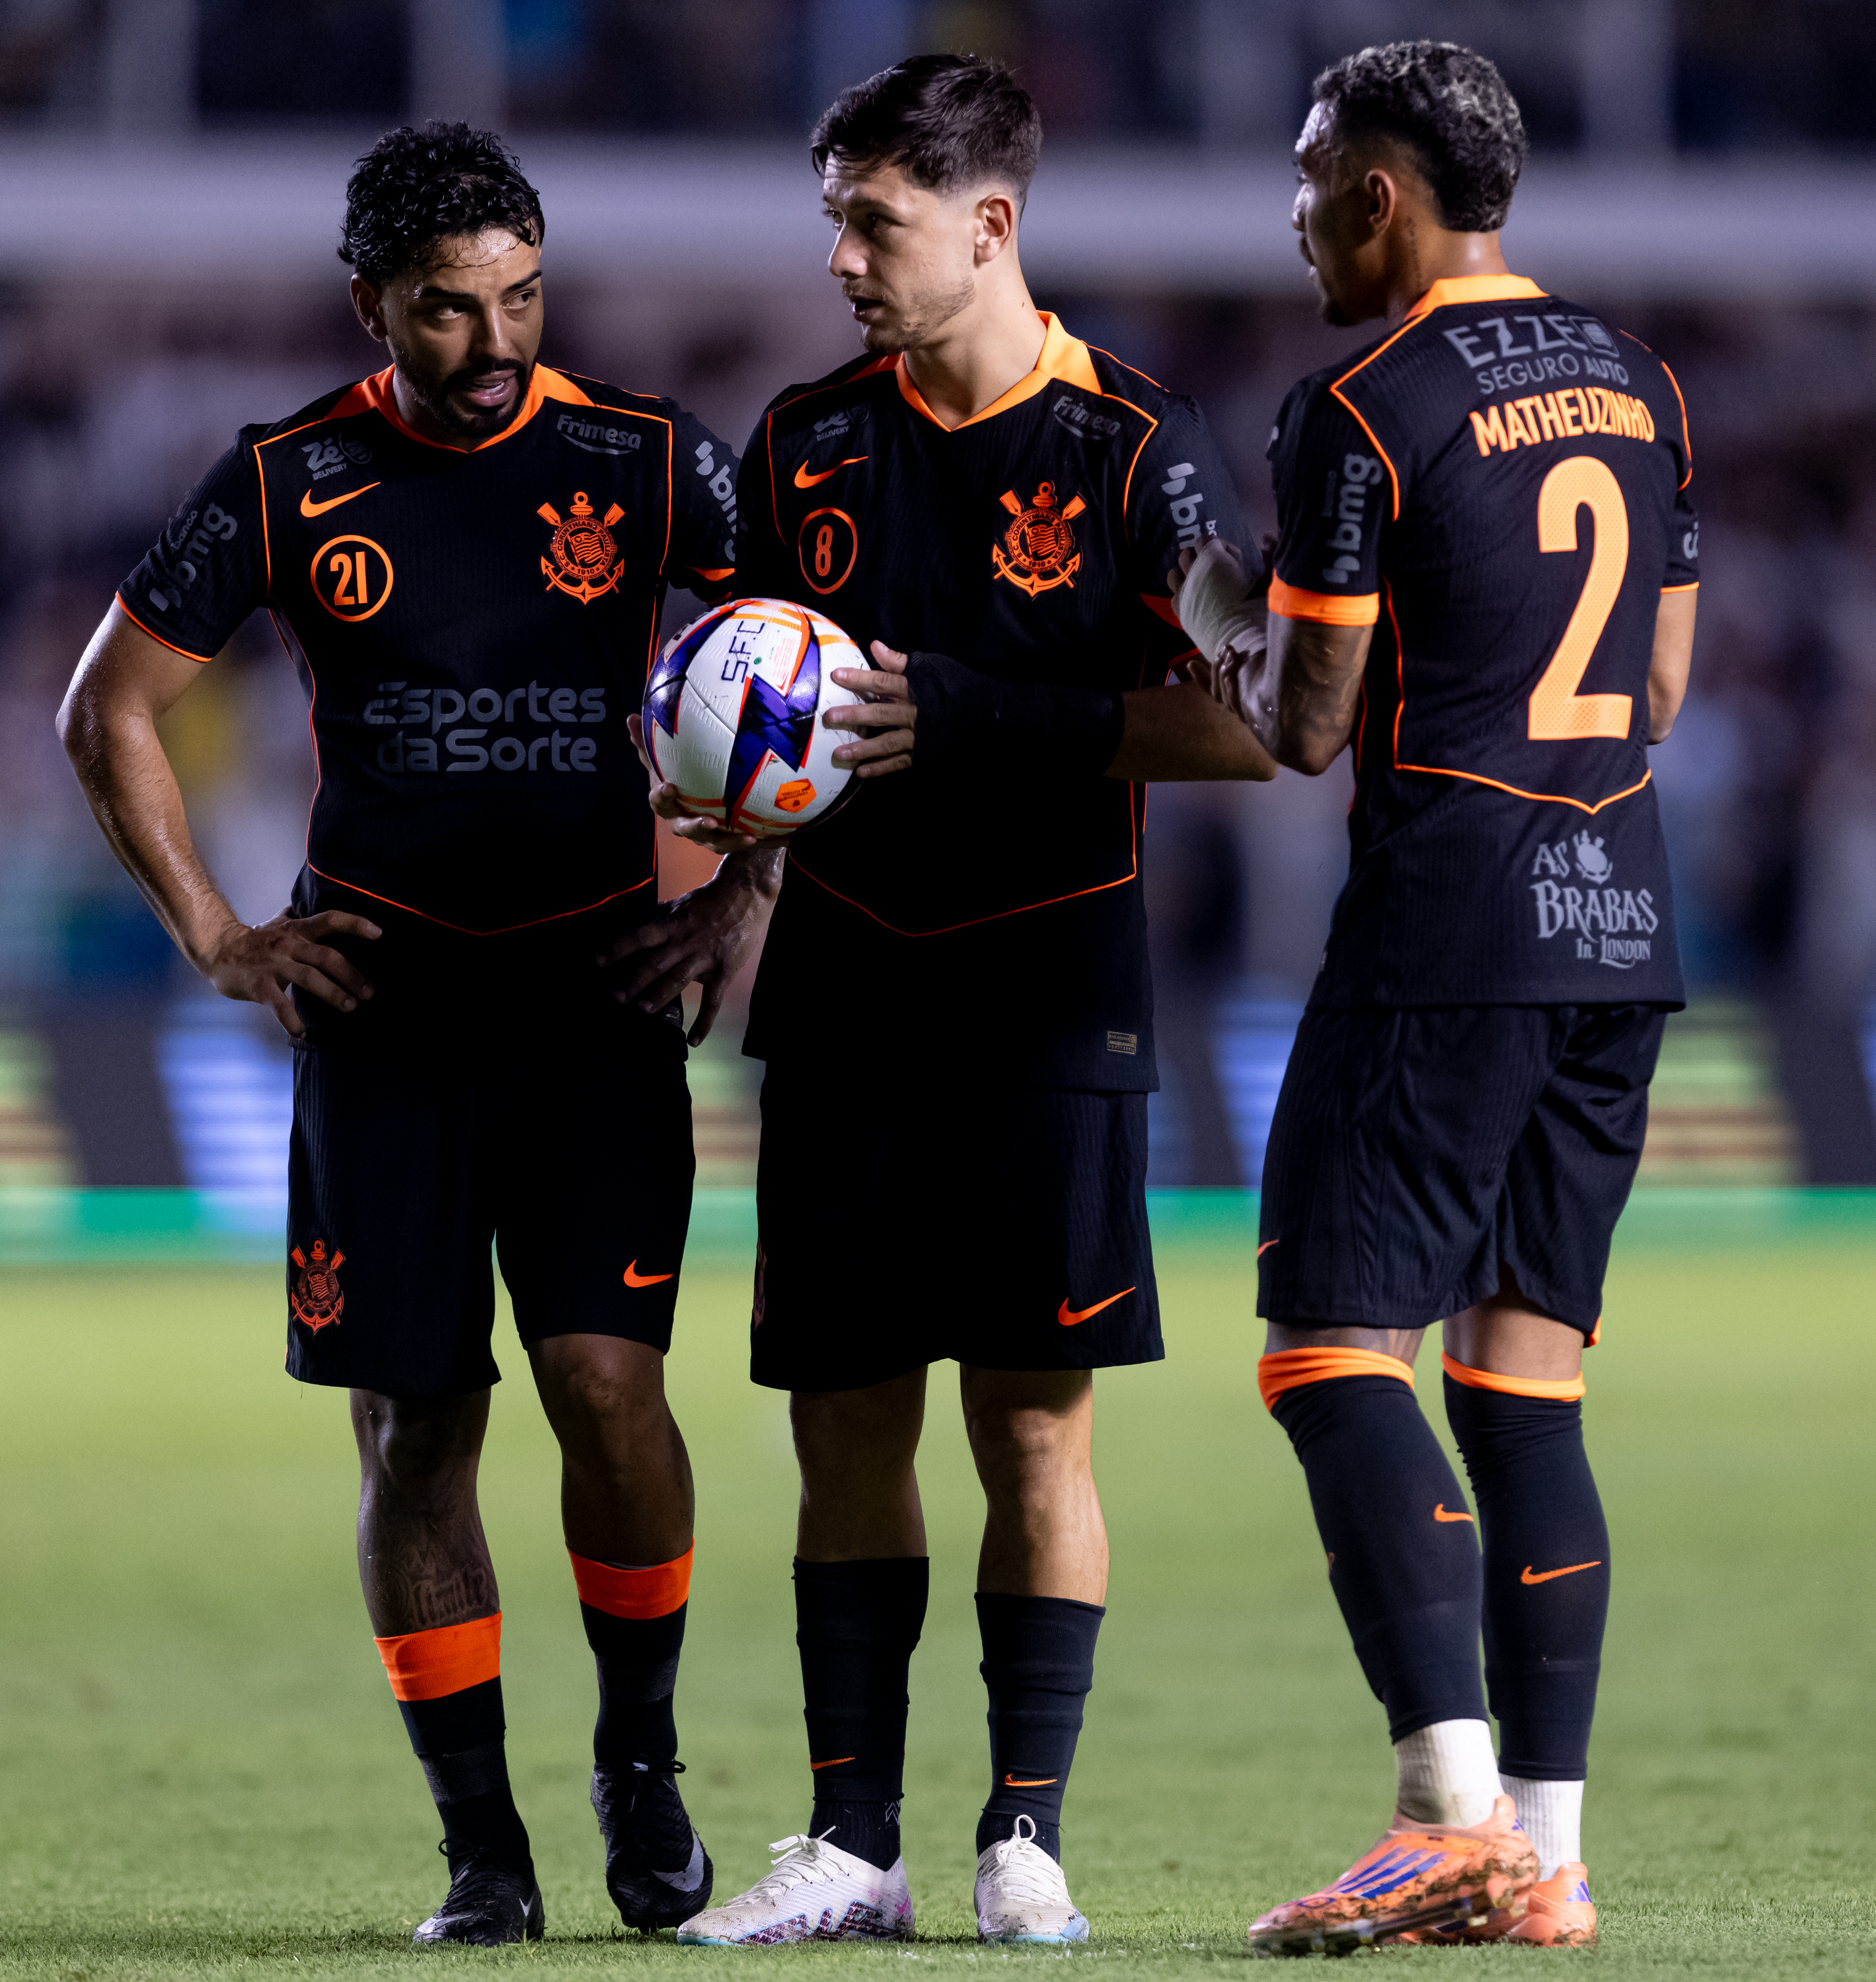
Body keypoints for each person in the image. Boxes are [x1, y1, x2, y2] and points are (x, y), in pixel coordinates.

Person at [57, 121, 772, 1947]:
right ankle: (482, 1850)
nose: (496, 342)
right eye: (450, 309)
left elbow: (819, 657)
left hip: (596, 1003)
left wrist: (743, 895)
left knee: (608, 1388)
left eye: (523, 298)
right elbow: (106, 709)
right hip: (386, 1017)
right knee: (416, 1431)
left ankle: (640, 1761)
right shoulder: (286, 479)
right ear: (370, 302)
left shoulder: (645, 457)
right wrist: (221, 936)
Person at [634, 53, 1273, 1948]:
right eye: (833, 220)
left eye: (873, 222)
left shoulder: (1138, 448)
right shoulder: (804, 442)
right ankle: (853, 1844)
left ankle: (1023, 1838)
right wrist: (737, 873)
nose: (841, 256)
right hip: (845, 994)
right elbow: (773, 721)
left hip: (1050, 996)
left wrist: (983, 715)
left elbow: (1250, 720)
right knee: (843, 1423)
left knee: (1032, 1430)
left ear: (988, 223)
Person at [1172, 40, 1698, 1954]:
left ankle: (1446, 1815)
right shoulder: (1640, 380)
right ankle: (1547, 1861)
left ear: (1379, 193)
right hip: (1621, 922)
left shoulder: (1364, 404)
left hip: (1449, 933)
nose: (1298, 215)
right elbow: (1659, 692)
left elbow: (1305, 727)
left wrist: (1211, 607)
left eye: (1312, 179)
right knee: (1523, 1391)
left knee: (1328, 1355)